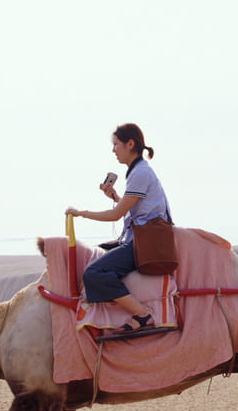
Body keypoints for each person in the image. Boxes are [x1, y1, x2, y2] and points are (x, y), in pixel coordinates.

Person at [65, 123, 171, 333]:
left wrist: (81, 213)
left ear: (130, 144)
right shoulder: (136, 172)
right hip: (137, 239)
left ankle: (142, 314)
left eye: (116, 144)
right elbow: (135, 210)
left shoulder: (140, 173)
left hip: (143, 245)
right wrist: (115, 196)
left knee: (93, 272)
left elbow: (116, 215)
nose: (113, 150)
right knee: (96, 253)